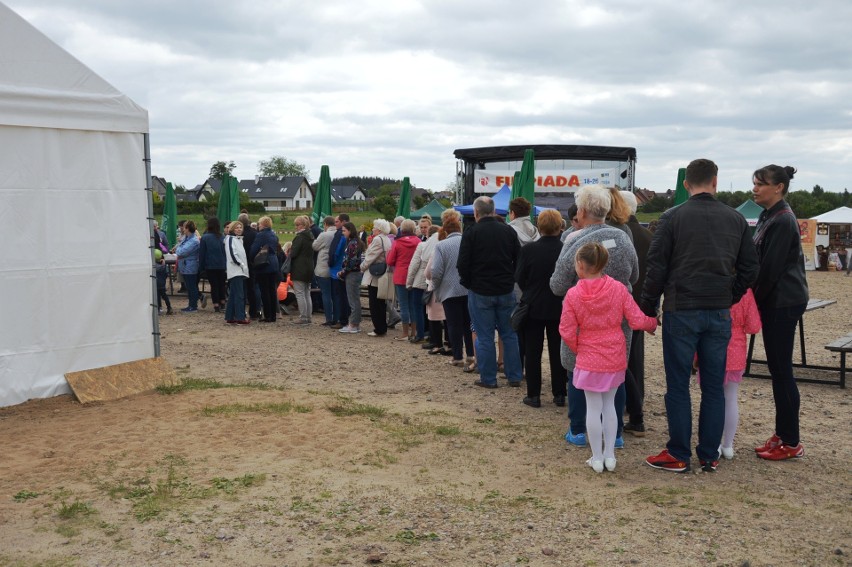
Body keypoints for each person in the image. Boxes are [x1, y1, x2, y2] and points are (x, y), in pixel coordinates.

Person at [640, 159, 758, 473]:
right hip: (718, 310)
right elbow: (750, 268)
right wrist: (729, 295)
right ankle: (709, 453)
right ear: (716, 182)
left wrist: (648, 307)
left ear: (685, 184)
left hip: (682, 309)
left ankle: (679, 452)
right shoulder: (735, 219)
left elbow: (656, 268)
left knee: (678, 385)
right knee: (713, 386)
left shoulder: (671, 217)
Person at [550, 185, 638, 450]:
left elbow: (557, 284)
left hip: (584, 324)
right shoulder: (623, 238)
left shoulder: (574, 241)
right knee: (616, 374)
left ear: (583, 210)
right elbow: (634, 276)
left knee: (578, 372)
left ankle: (578, 430)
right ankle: (617, 433)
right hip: (616, 323)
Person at [561, 242, 657, 473]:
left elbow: (565, 329)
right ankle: (610, 456)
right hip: (614, 354)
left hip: (588, 354)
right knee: (611, 406)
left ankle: (596, 458)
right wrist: (652, 323)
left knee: (592, 407)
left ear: (581, 265)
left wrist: (578, 349)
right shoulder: (619, 289)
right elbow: (635, 319)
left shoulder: (573, 294)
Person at [751, 164, 809, 460]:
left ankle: (791, 440)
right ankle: (782, 432)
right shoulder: (768, 215)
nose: (755, 188)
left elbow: (769, 271)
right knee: (777, 370)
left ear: (779, 188)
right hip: (777, 300)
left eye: (761, 183)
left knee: (782, 372)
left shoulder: (783, 220)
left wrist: (751, 303)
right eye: (754, 182)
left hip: (782, 302)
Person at [458, 196, 522, 388]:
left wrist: (469, 283)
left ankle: (488, 378)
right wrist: (511, 279)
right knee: (509, 334)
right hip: (505, 290)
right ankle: (514, 376)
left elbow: (462, 264)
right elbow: (519, 259)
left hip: (480, 291)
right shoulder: (508, 231)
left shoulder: (471, 232)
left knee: (484, 336)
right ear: (494, 211)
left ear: (476, 213)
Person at [697, 289, 761, 459]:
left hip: (710, 348)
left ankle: (714, 443)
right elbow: (754, 326)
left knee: (712, 397)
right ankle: (728, 445)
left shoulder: (711, 285)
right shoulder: (745, 292)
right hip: (736, 350)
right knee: (731, 398)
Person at [515, 209, 567, 408]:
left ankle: (534, 394)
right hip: (559, 305)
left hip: (534, 304)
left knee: (533, 351)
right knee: (557, 350)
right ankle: (559, 393)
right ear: (560, 226)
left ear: (540, 226)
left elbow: (519, 276)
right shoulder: (565, 249)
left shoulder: (528, 250)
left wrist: (530, 288)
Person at [621, 190, 654, 437]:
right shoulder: (649, 236)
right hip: (642, 302)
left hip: (621, 303)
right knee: (635, 356)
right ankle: (636, 399)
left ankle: (627, 401)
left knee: (621, 357)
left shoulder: (620, 235)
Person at [430, 217, 474, 368]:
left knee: (454, 325)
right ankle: (471, 354)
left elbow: (436, 271)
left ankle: (457, 356)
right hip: (468, 288)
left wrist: (435, 287)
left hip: (449, 289)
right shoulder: (468, 242)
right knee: (469, 323)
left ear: (445, 230)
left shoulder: (441, 245)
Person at [386, 219, 422, 341]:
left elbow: (390, 260)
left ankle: (405, 333)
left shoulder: (397, 242)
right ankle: (414, 332)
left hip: (400, 275)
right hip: (415, 276)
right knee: (414, 304)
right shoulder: (418, 241)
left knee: (404, 304)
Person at [361, 219, 393, 337]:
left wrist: (361, 267)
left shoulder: (377, 240)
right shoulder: (387, 239)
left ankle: (379, 328)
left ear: (379, 229)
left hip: (375, 274)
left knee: (374, 303)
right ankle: (381, 326)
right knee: (380, 303)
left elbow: (370, 257)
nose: (372, 229)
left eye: (374, 227)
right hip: (383, 273)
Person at [250, 216, 281, 323]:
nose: (258, 226)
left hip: (264, 265)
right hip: (274, 263)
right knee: (272, 290)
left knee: (265, 291)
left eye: (259, 224)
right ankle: (273, 315)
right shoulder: (273, 234)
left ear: (263, 224)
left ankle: (268, 315)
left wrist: (251, 259)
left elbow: (254, 249)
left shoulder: (261, 235)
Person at [337, 222, 364, 334]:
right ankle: (355, 323)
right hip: (355, 273)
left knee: (353, 300)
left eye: (344, 231)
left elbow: (351, 261)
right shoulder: (356, 242)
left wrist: (342, 272)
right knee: (355, 299)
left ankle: (353, 324)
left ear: (349, 230)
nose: (342, 233)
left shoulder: (353, 244)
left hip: (352, 274)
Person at [289, 215, 315, 325]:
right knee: (307, 293)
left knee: (300, 293)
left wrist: (290, 251)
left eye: (297, 225)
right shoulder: (311, 236)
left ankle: (303, 317)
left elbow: (294, 253)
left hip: (299, 267)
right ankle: (308, 316)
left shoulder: (300, 237)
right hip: (309, 266)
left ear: (303, 225)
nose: (296, 227)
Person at [312, 216, 337, 326]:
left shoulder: (324, 235)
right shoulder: (339, 234)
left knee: (326, 294)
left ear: (326, 224)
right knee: (335, 294)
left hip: (323, 266)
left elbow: (315, 246)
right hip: (335, 268)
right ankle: (336, 316)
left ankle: (328, 317)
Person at [224, 221, 250, 324]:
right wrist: (241, 265)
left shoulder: (238, 239)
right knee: (239, 294)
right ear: (232, 229)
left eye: (240, 227)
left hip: (240, 270)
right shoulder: (230, 239)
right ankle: (240, 317)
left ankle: (230, 316)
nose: (239, 229)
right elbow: (232, 254)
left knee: (234, 294)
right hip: (236, 271)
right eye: (237, 228)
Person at [199, 217, 227, 312]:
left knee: (214, 285)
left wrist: (201, 267)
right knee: (222, 284)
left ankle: (216, 304)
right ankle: (223, 302)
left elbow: (202, 253)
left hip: (210, 264)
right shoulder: (222, 237)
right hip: (222, 264)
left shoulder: (205, 237)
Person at [238, 213, 261, 320]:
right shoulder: (255, 233)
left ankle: (241, 311)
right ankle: (254, 312)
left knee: (241, 289)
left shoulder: (239, 234)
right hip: (253, 263)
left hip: (241, 264)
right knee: (252, 288)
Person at [175, 220, 201, 312]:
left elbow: (181, 251)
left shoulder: (193, 240)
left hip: (190, 267)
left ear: (188, 228)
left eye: (184, 227)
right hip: (186, 266)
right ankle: (191, 304)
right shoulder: (187, 238)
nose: (182, 229)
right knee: (189, 286)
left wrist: (178, 250)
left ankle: (193, 306)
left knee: (191, 287)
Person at [154, 249, 172, 315]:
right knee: (164, 296)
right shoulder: (164, 266)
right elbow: (166, 274)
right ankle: (169, 307)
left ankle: (158, 308)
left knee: (157, 296)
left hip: (156, 283)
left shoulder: (154, 267)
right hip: (162, 283)